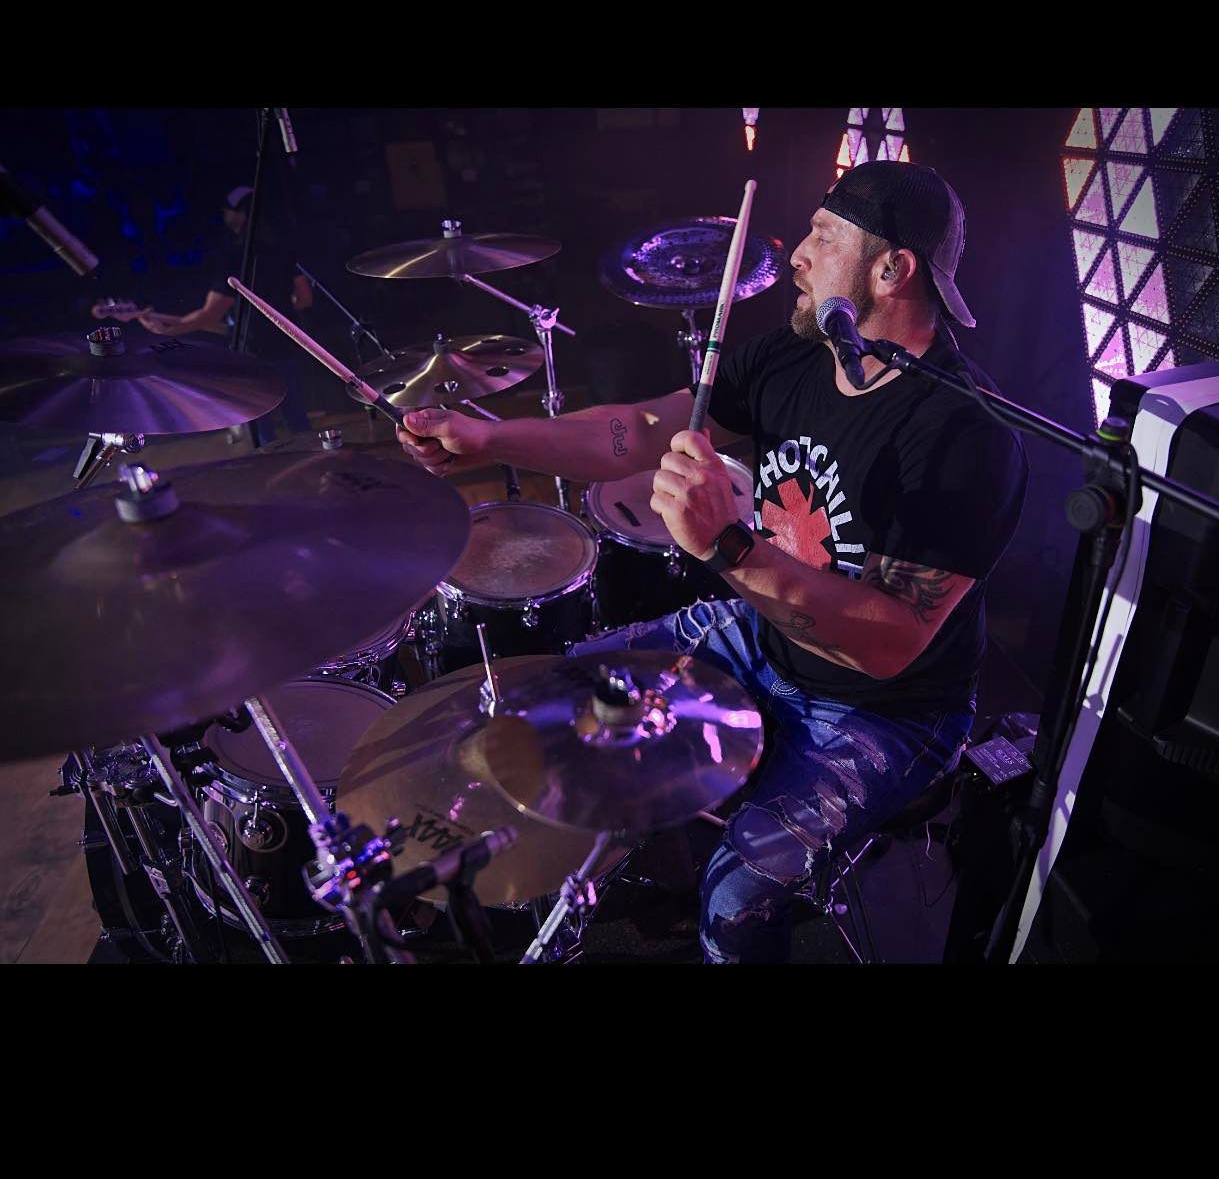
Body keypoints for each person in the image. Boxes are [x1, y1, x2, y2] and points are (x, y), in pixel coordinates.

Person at [397, 161, 1030, 963]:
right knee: (553, 699)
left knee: (734, 896)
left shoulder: (964, 434)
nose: (797, 255)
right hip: (761, 634)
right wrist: (489, 437)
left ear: (891, 269)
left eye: (823, 237)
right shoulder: (795, 356)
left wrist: (730, 545)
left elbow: (888, 644)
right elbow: (635, 430)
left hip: (889, 711)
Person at [95, 186, 316, 443]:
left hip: (252, 350)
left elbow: (209, 316)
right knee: (297, 418)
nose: (224, 215)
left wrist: (168, 331)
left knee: (261, 428)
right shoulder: (282, 248)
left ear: (243, 214)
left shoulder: (235, 257)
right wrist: (277, 309)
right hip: (287, 344)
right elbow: (305, 299)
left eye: (228, 210)